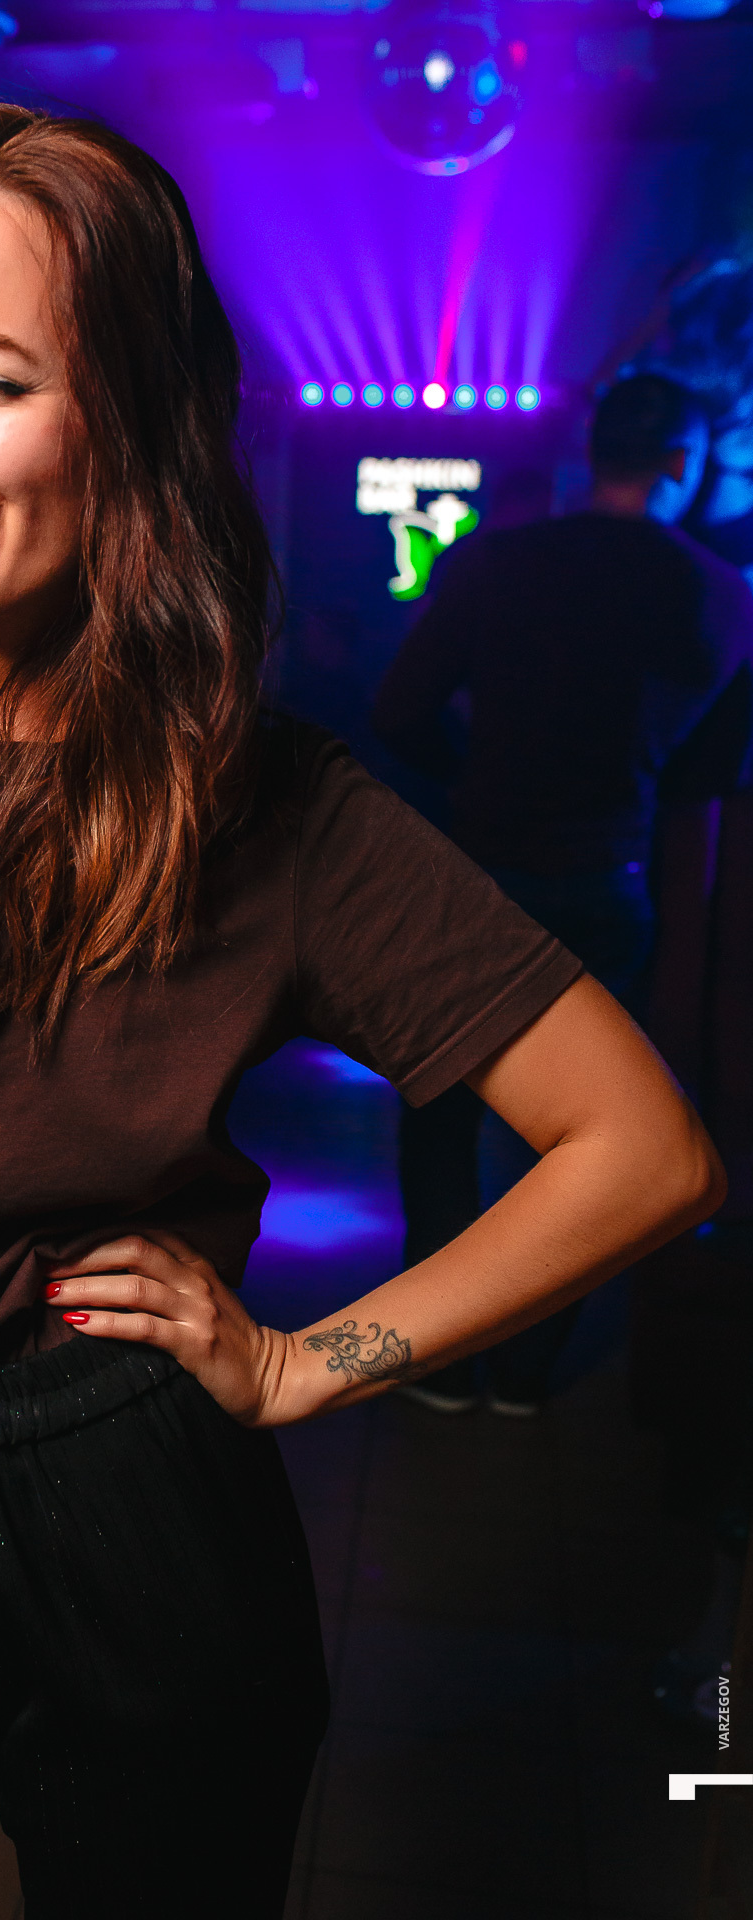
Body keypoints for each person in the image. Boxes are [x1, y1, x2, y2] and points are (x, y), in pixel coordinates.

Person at [0, 106, 724, 1920]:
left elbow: (644, 1149)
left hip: (117, 1513)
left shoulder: (275, 809)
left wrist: (303, 1362)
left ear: (126, 410)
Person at [372, 372, 753, 1415]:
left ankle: (437, 1359)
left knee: (440, 1113)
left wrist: (471, 779)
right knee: (575, 1140)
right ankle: (525, 1371)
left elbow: (397, 711)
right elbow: (706, 781)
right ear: (681, 463)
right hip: (608, 881)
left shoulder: (498, 561)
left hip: (481, 876)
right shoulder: (723, 595)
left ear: (594, 451)